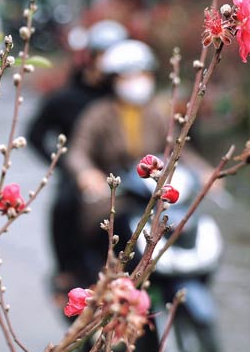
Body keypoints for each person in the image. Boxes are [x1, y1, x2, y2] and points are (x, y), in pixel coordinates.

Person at [26, 19, 128, 291]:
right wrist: (61, 166)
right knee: (65, 204)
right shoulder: (65, 98)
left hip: (121, 172)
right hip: (80, 173)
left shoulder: (123, 97)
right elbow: (35, 134)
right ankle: (66, 271)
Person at [63, 39, 172, 283]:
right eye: (127, 76)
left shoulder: (158, 112)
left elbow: (179, 150)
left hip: (152, 196)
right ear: (114, 80)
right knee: (119, 233)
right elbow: (78, 152)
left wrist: (206, 172)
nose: (136, 82)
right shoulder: (98, 113)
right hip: (114, 198)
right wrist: (87, 174)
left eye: (141, 74)